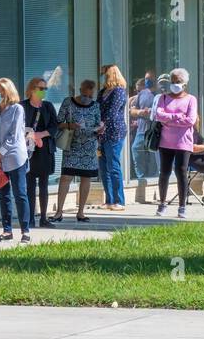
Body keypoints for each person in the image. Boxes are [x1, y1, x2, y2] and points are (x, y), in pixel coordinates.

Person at [0, 78, 32, 243]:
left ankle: (25, 231)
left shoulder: (17, 109)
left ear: (7, 92)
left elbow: (14, 136)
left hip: (15, 158)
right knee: (3, 195)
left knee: (20, 193)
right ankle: (7, 230)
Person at [52, 79, 103, 223]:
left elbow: (98, 123)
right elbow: (58, 123)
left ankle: (81, 212)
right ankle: (59, 211)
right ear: (80, 91)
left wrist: (100, 128)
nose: (88, 99)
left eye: (90, 96)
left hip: (89, 147)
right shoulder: (68, 102)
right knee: (66, 177)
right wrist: (70, 125)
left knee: (86, 178)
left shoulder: (95, 106)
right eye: (85, 95)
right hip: (72, 145)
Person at [152, 68, 199, 219]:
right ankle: (162, 204)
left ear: (184, 83)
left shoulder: (191, 99)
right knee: (164, 173)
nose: (174, 84)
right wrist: (178, 117)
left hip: (183, 143)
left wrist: (169, 119)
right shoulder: (163, 98)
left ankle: (182, 207)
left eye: (177, 82)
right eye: (172, 81)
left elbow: (191, 120)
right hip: (165, 142)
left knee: (181, 173)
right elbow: (158, 115)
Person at [20, 76, 59, 228]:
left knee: (43, 185)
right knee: (29, 186)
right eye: (40, 88)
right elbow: (17, 127)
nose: (43, 91)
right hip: (28, 150)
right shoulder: (22, 106)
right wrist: (30, 136)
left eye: (45, 89)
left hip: (44, 151)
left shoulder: (48, 106)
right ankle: (29, 218)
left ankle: (43, 217)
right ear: (32, 89)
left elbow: (54, 127)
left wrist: (40, 135)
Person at [97, 65, 129, 211]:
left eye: (106, 74)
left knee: (113, 165)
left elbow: (112, 111)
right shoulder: (102, 91)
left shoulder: (119, 91)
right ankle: (109, 200)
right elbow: (97, 108)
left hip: (114, 131)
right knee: (103, 167)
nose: (104, 76)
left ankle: (119, 200)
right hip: (101, 133)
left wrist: (103, 123)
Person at [129, 71, 157, 185]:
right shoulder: (142, 93)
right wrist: (140, 112)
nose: (147, 81)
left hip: (155, 131)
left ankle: (153, 179)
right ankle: (141, 178)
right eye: (146, 79)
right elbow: (132, 111)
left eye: (149, 79)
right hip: (141, 131)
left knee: (153, 157)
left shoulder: (160, 94)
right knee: (136, 150)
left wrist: (152, 112)